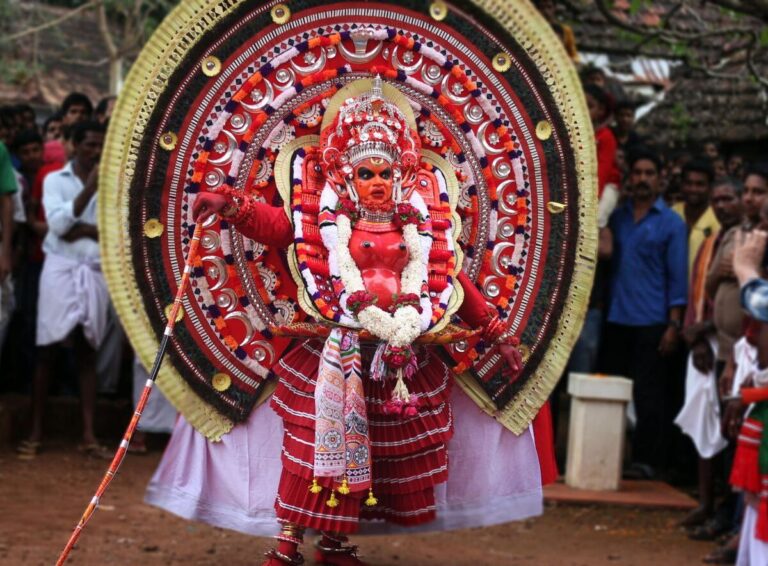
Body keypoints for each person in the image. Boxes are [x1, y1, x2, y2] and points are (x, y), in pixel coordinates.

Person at [146, 80, 549, 566]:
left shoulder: (418, 224)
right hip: (333, 354)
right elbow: (278, 227)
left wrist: (498, 335)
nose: (376, 182)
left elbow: (455, 284)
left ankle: (334, 545)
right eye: (365, 173)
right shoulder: (323, 217)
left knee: (370, 454)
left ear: (400, 174)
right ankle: (286, 547)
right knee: (315, 450)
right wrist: (232, 205)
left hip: (396, 354)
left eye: (384, 172)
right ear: (347, 176)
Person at [16, 120, 110, 459]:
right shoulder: (55, 179)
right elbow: (55, 227)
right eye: (89, 145)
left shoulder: (113, 183)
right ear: (72, 145)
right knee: (48, 349)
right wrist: (89, 193)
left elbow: (107, 231)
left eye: (100, 145)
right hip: (59, 269)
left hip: (94, 270)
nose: (96, 152)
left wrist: (78, 227)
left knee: (88, 350)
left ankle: (88, 434)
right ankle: (35, 431)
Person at [602, 147, 688, 478]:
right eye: (637, 173)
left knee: (649, 395)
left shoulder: (671, 223)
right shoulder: (618, 219)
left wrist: (674, 325)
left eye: (649, 173)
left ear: (660, 179)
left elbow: (678, 277)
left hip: (652, 322)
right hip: (616, 319)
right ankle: (609, 457)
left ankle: (646, 461)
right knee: (611, 391)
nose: (642, 179)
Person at [676, 178, 743, 531]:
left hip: (734, 346)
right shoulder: (710, 242)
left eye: (728, 198)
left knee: (730, 429)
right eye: (718, 199)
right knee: (705, 423)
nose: (722, 205)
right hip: (706, 347)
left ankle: (728, 512)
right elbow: (696, 295)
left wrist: (704, 331)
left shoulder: (746, 242)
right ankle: (707, 503)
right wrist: (696, 338)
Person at [673, 160, 720, 275]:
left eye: (700, 184)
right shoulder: (670, 215)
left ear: (710, 187)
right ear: (682, 185)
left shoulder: (718, 220)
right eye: (688, 183)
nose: (693, 189)